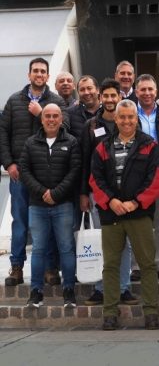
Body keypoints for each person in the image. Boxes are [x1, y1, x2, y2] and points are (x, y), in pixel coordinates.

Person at [89, 99, 159, 331]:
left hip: (139, 214)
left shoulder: (149, 145)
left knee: (147, 264)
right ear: (117, 119)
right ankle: (110, 313)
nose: (126, 121)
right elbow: (95, 179)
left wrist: (136, 202)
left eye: (131, 117)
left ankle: (151, 312)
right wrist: (111, 201)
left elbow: (157, 179)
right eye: (122, 117)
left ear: (137, 118)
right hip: (111, 214)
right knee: (111, 265)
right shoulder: (103, 146)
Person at [1, 57, 68, 287]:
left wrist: (41, 114)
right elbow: (3, 134)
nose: (39, 74)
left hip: (45, 174)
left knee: (46, 222)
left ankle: (50, 268)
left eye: (43, 71)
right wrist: (8, 163)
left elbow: (66, 130)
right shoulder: (13, 101)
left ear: (48, 76)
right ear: (29, 75)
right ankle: (17, 267)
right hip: (19, 174)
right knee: (19, 221)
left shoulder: (56, 101)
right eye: (35, 71)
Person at [79, 79, 138, 306]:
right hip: (100, 194)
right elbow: (85, 161)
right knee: (102, 242)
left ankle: (123, 288)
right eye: (107, 96)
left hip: (125, 196)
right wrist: (84, 193)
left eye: (115, 95)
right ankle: (100, 288)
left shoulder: (129, 121)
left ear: (120, 97)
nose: (111, 99)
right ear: (101, 97)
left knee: (124, 243)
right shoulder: (92, 126)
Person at [20, 104, 80, 309]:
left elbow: (74, 171)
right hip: (37, 205)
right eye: (48, 116)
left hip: (63, 204)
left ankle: (69, 291)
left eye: (55, 116)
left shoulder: (71, 142)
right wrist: (42, 193)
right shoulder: (30, 143)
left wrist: (55, 194)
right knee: (38, 249)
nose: (52, 119)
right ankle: (36, 292)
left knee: (66, 248)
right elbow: (24, 171)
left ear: (61, 119)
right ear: (42, 119)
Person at [131, 74, 159, 282]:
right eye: (143, 90)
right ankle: (137, 266)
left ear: (156, 92)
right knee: (137, 224)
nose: (147, 93)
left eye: (150, 89)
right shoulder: (130, 113)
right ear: (136, 91)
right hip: (136, 181)